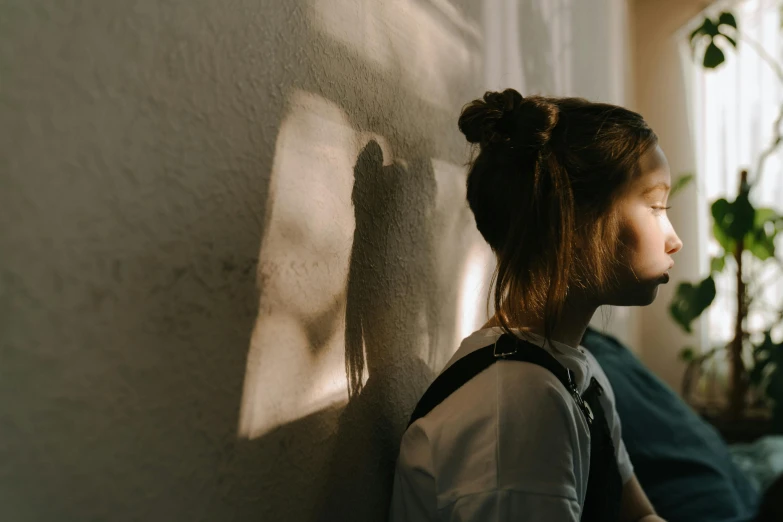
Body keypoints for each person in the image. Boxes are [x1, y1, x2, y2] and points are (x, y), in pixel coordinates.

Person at [389, 89, 683, 522]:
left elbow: (638, 516)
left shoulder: (578, 371)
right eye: (655, 206)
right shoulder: (517, 410)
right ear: (573, 222)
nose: (674, 238)